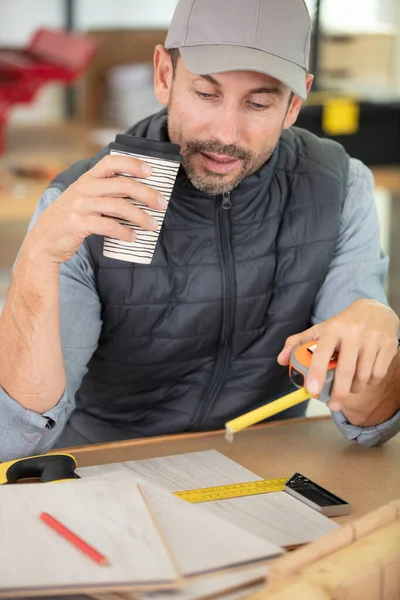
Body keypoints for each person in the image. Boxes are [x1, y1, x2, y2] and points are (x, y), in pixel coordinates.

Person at [0, 0, 399, 461]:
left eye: (259, 103)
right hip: (106, 473)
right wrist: (36, 261)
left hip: (264, 472)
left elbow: (370, 424)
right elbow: (14, 439)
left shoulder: (341, 186)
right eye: (206, 94)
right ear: (164, 75)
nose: (227, 133)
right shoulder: (82, 204)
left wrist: (381, 344)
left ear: (295, 103)